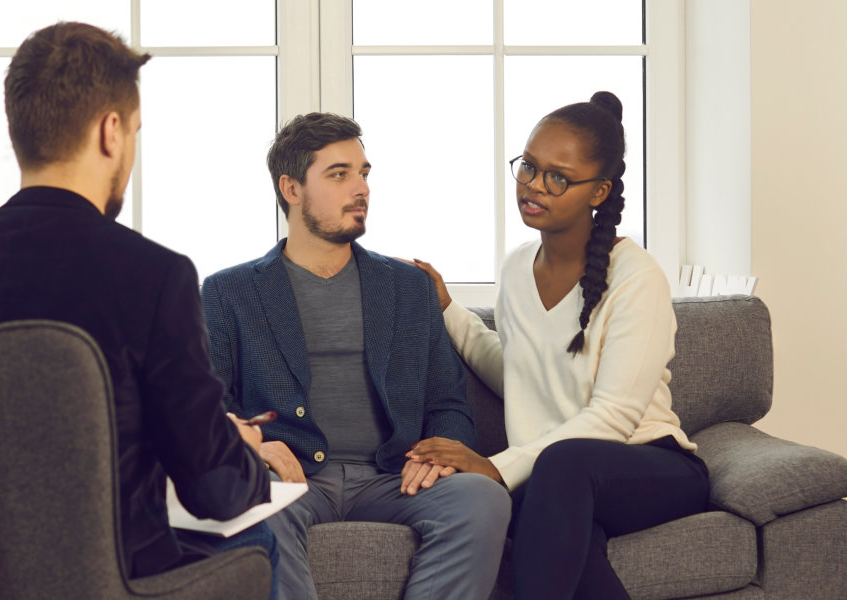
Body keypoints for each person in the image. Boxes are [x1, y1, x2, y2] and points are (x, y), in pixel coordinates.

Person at [0, 22, 274, 581]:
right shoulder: (155, 276)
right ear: (110, 131)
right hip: (107, 580)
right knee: (260, 537)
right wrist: (241, 450)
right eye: (134, 132)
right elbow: (217, 491)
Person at [404, 92, 711, 600]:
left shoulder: (636, 277)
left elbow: (612, 418)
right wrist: (448, 310)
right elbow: (521, 375)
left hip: (649, 465)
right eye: (528, 167)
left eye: (558, 178)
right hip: (560, 479)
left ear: (599, 191)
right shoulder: (515, 269)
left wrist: (497, 466)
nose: (533, 186)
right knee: (552, 524)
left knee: (558, 469)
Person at [199, 112, 511, 600]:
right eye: (338, 174)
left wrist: (440, 453)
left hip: (393, 475)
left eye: (363, 173)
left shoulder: (408, 288)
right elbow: (205, 404)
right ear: (291, 188)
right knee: (246, 503)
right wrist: (251, 446)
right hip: (292, 476)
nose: (360, 188)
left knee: (483, 499)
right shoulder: (228, 291)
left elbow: (446, 402)